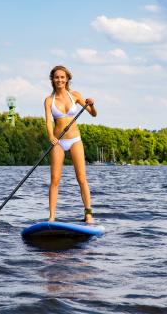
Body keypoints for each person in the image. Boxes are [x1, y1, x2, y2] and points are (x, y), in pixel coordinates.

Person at [44, 65, 97, 224]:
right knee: (55, 179)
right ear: (52, 80)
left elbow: (93, 114)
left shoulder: (75, 95)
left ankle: (88, 214)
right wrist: (51, 136)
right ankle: (52, 217)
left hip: (75, 140)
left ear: (67, 79)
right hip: (58, 142)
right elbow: (48, 121)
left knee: (81, 178)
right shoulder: (48, 100)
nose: (59, 80)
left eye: (62, 77)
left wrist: (91, 104)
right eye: (56, 77)